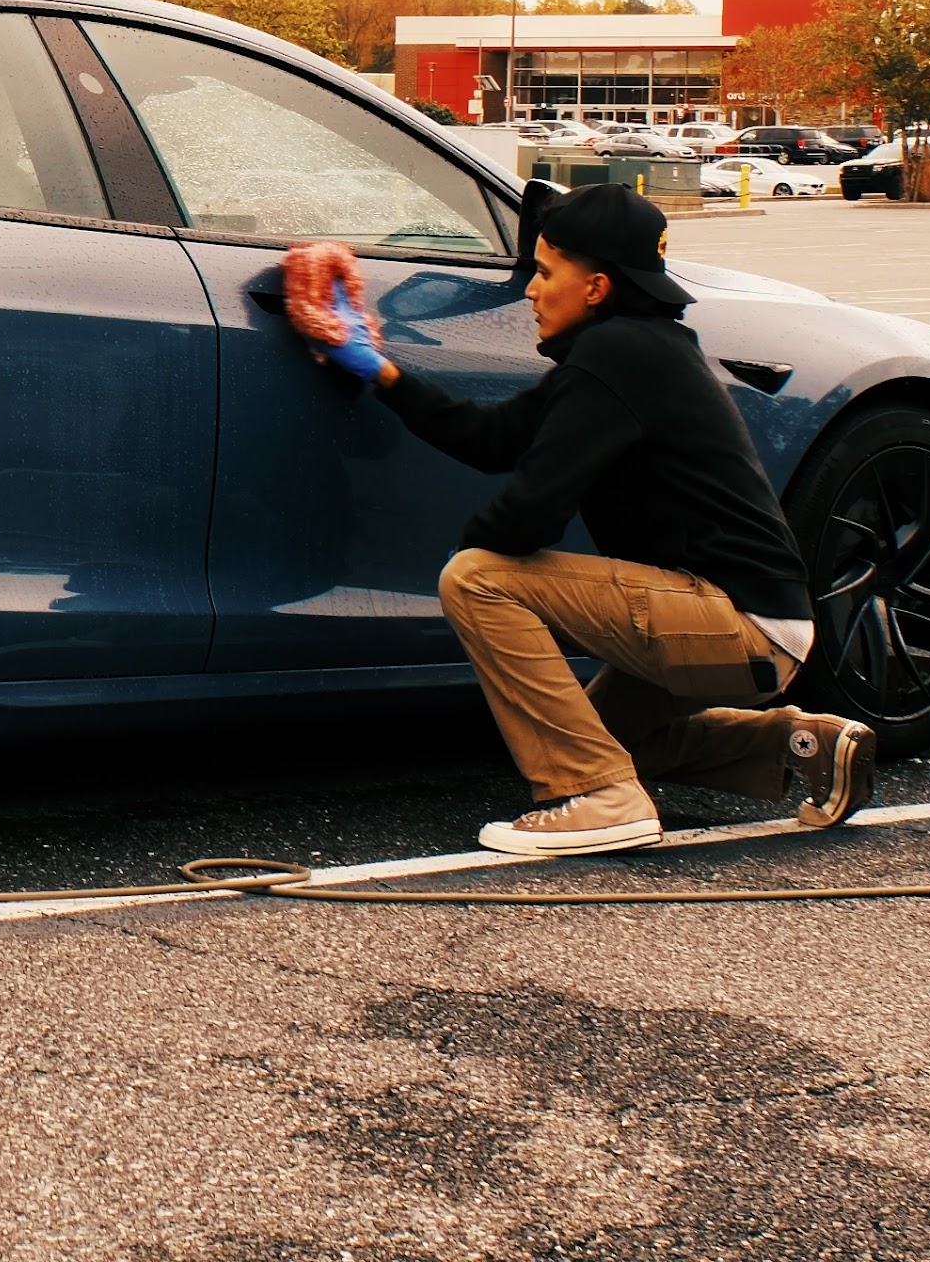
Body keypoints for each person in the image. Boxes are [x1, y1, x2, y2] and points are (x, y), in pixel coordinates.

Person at [284, 183, 874, 857]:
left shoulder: (615, 357)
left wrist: (467, 560)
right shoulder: (635, 352)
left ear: (595, 287)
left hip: (731, 622)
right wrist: (377, 369)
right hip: (764, 630)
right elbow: (488, 440)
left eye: (544, 272)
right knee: (603, 738)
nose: (531, 291)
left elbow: (532, 510)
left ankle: (597, 800)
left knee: (478, 579)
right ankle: (804, 750)